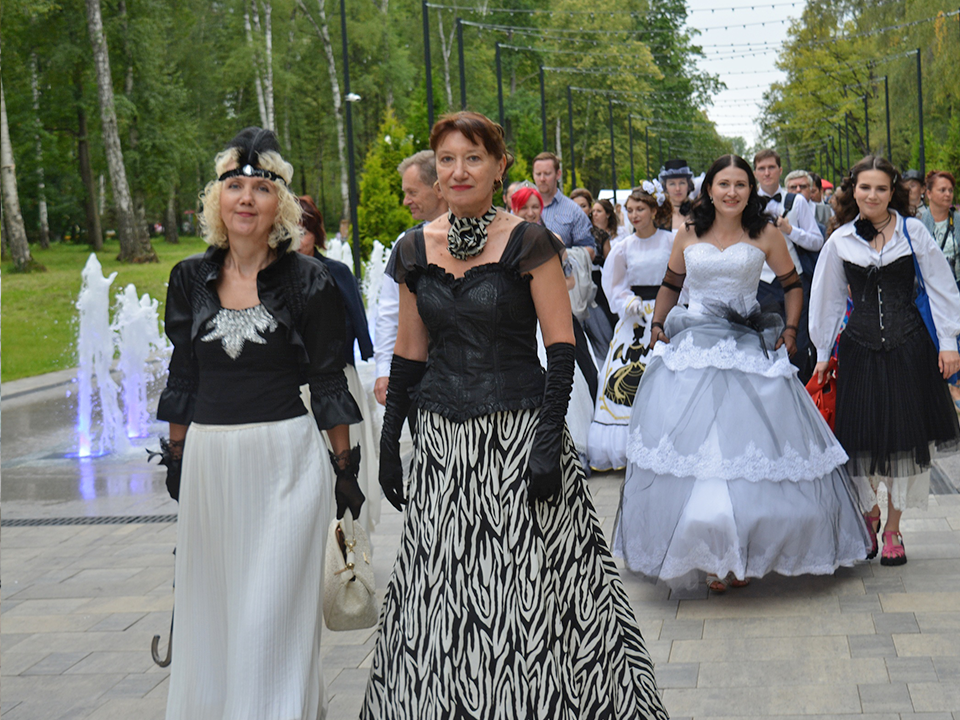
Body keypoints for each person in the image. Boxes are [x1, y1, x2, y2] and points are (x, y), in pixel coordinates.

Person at [362, 111, 668, 720]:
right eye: (446, 159)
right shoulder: (412, 248)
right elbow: (409, 352)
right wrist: (393, 440)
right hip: (444, 450)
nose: (458, 170)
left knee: (527, 590)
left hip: (518, 439)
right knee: (442, 591)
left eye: (472, 157)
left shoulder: (530, 241)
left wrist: (549, 441)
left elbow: (560, 348)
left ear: (500, 167)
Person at [157, 128, 363, 718]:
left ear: (282, 207)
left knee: (273, 612)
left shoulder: (310, 282)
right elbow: (183, 375)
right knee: (214, 607)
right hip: (212, 461)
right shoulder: (188, 279)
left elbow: (327, 379)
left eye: (261, 188)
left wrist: (343, 469)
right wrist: (176, 455)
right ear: (217, 202)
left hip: (287, 461)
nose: (246, 198)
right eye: (234, 186)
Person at [616, 154, 869, 593]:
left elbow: (793, 285)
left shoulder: (766, 233)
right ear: (709, 189)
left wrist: (791, 330)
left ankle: (747, 549)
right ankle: (714, 553)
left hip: (746, 344)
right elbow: (671, 285)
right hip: (694, 346)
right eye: (723, 184)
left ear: (750, 190)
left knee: (747, 446)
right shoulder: (687, 233)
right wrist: (658, 325)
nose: (731, 192)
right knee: (700, 449)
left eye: (740, 184)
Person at [810, 156, 960, 565]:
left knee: (902, 443)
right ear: (853, 190)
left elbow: (942, 288)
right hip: (858, 349)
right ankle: (869, 513)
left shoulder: (912, 232)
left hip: (909, 347)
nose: (872, 195)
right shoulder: (840, 239)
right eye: (865, 188)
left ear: (892, 191)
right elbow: (826, 299)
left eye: (880, 188)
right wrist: (823, 352)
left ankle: (893, 528)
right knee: (859, 442)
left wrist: (949, 342)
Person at [297, 195, 380, 534]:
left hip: (336, 381)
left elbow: (356, 322)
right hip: (294, 386)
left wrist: (364, 348)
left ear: (316, 233)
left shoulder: (336, 271)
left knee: (343, 471)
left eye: (303, 230)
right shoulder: (270, 276)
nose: (297, 237)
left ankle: (349, 550)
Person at [588, 182, 673, 471]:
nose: (634, 215)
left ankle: (665, 441)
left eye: (640, 209)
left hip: (665, 313)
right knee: (622, 377)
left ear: (654, 210)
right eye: (630, 210)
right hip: (634, 319)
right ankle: (624, 446)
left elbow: (681, 280)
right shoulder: (623, 247)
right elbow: (613, 285)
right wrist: (628, 302)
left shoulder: (671, 241)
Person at [373, 150, 448, 406]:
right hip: (424, 379)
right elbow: (389, 311)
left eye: (412, 192)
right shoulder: (407, 245)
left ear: (438, 189)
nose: (406, 201)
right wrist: (383, 369)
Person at [754, 149, 825, 383]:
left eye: (771, 167)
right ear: (755, 172)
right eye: (762, 168)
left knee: (799, 343)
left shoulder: (797, 202)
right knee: (764, 345)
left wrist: (790, 230)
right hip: (759, 283)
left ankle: (802, 395)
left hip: (795, 280)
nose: (767, 173)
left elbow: (817, 241)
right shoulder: (746, 202)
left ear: (780, 170)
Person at [533, 151, 596, 257]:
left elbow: (590, 250)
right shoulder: (523, 208)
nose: (542, 179)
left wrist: (563, 257)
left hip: (563, 271)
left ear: (558, 174)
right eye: (538, 174)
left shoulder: (573, 210)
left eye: (547, 174)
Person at [659, 158, 695, 231]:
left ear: (688, 185)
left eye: (682, 183)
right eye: (672, 184)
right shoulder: (659, 214)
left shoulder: (697, 211)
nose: (678, 189)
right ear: (665, 187)